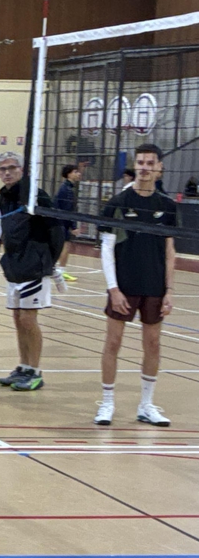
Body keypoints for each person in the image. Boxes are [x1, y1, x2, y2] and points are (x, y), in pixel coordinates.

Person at [95, 143, 176, 427]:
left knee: (153, 345)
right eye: (140, 162)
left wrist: (169, 290)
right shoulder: (117, 203)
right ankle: (106, 403)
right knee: (113, 343)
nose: (144, 167)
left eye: (150, 162)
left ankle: (146, 405)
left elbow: (169, 250)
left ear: (159, 168)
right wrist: (113, 288)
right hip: (125, 285)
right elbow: (106, 249)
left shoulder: (167, 206)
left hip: (154, 286)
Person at [0, 152, 64, 392]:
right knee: (17, 319)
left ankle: (35, 371)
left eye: (12, 168)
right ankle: (23, 367)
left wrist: (48, 262)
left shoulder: (36, 196)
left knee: (28, 319)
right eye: (3, 169)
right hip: (13, 268)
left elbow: (57, 230)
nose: (7, 172)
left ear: (21, 170)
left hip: (34, 267)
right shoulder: (3, 197)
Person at [54, 164, 81, 282]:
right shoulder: (67, 190)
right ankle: (61, 271)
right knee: (66, 246)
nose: (78, 174)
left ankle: (56, 269)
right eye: (75, 172)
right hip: (62, 222)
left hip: (61, 221)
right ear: (69, 174)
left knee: (63, 246)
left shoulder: (67, 188)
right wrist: (73, 226)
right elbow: (68, 209)